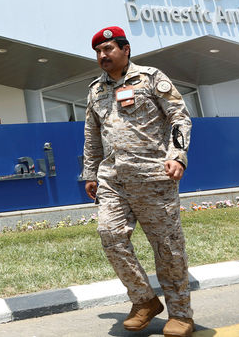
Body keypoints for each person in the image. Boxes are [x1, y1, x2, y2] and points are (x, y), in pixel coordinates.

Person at [83, 26, 194, 337]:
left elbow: (179, 118)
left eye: (108, 49)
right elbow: (92, 136)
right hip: (113, 179)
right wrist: (90, 173)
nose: (102, 56)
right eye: (98, 52)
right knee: (110, 234)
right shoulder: (95, 90)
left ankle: (181, 314)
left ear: (125, 50)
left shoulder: (150, 78)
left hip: (153, 176)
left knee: (168, 248)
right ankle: (144, 300)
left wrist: (178, 155)